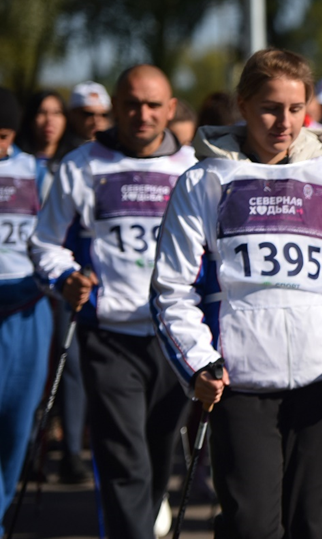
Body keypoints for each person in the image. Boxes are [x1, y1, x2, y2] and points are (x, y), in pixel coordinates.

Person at [152, 48, 322, 539]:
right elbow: (172, 288)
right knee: (252, 527)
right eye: (271, 107)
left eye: (296, 109)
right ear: (244, 104)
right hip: (241, 383)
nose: (284, 122)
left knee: (317, 528)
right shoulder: (205, 181)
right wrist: (199, 363)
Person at [29, 65, 197, 538]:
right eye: (131, 103)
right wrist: (66, 277)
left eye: (152, 105)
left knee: (157, 458)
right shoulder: (82, 164)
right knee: (126, 463)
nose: (141, 114)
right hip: (109, 336)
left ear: (168, 109)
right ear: (115, 107)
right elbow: (44, 243)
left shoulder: (191, 168)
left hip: (173, 338)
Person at [17, 89, 90, 484]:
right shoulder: (21, 163)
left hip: (64, 282)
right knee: (33, 370)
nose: (49, 120)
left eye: (57, 113)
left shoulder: (74, 163)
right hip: (22, 285)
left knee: (71, 365)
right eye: (42, 112)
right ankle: (28, 448)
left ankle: (72, 451)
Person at [0, 90, 54, 534]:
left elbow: (58, 238)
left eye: (3, 136)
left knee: (16, 427)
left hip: (26, 310)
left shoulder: (35, 171)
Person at [65, 80, 112, 147]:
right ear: (72, 115)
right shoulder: (57, 152)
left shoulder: (120, 152)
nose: (96, 121)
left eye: (104, 115)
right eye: (89, 114)